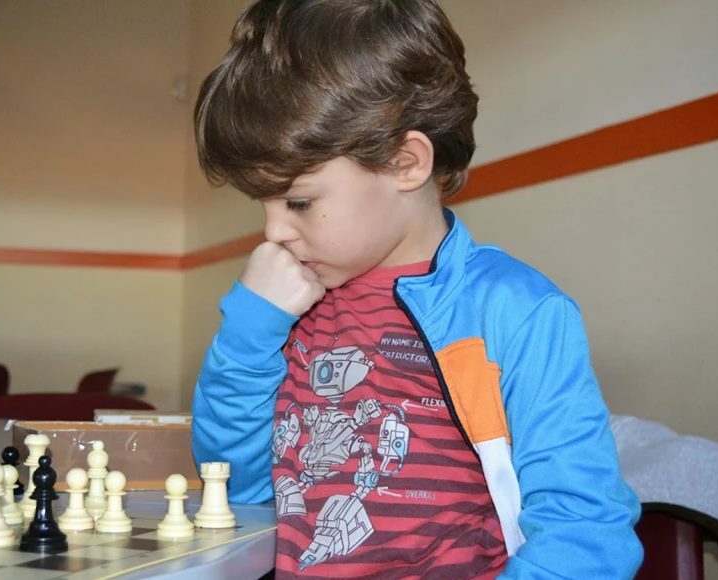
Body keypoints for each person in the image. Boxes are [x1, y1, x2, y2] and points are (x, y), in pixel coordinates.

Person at [190, 0, 643, 577]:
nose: (273, 232)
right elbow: (234, 489)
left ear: (406, 162)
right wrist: (246, 335)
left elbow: (585, 533)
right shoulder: (288, 305)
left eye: (298, 202)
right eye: (264, 204)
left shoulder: (513, 311)